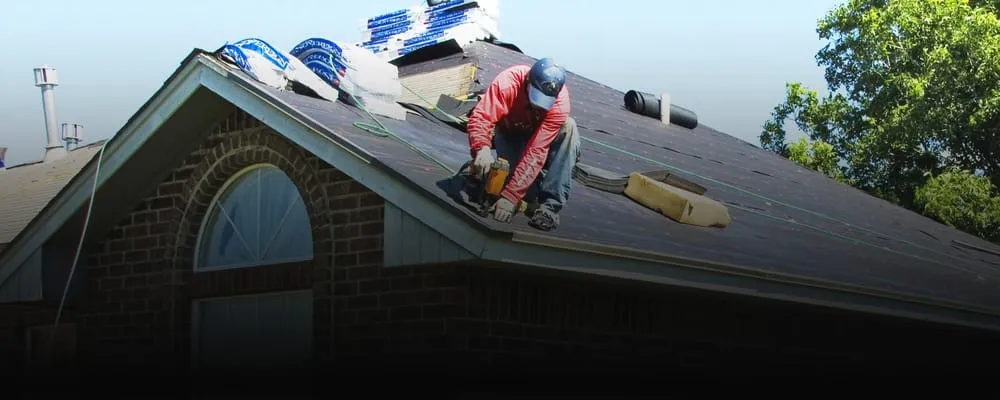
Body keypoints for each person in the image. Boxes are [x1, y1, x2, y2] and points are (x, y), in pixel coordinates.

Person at [466, 57, 581, 231]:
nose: (538, 105)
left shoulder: (559, 103)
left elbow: (537, 150)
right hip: (510, 132)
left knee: (569, 127)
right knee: (517, 190)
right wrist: (481, 148)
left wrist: (511, 197)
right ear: (528, 80)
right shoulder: (508, 83)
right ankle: (486, 172)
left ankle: (549, 208)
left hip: (540, 140)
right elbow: (482, 117)